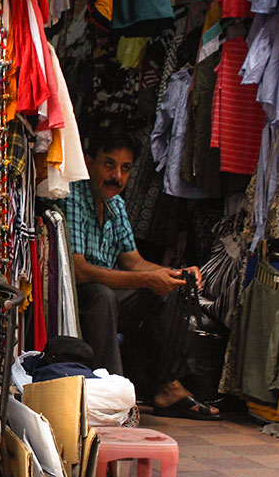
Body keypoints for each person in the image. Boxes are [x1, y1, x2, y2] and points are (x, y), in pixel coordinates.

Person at [61, 126, 220, 420]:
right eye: (109, 164)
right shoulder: (74, 196)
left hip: (109, 290)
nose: (117, 176)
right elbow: (79, 271)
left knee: (171, 291)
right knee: (102, 296)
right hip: (76, 297)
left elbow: (133, 261)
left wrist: (174, 273)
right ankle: (111, 393)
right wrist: (147, 279)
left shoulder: (115, 203)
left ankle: (167, 386)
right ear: (89, 161)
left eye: (125, 169)